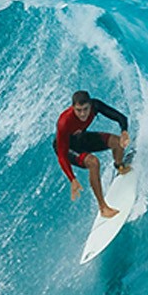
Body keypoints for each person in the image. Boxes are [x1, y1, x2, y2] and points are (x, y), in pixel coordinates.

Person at [54, 89, 131, 218]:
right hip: (66, 148)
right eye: (78, 110)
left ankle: (120, 167)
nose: (83, 113)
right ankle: (103, 207)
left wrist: (124, 132)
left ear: (90, 105)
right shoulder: (64, 122)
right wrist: (72, 179)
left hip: (81, 138)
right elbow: (61, 155)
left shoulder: (96, 106)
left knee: (118, 143)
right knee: (94, 163)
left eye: (85, 109)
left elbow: (120, 117)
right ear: (73, 108)